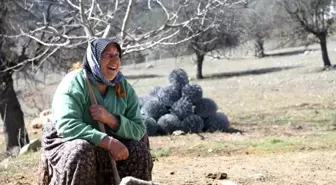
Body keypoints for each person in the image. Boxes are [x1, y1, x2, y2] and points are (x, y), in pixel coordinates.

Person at [38, 38, 153, 185]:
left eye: (117, 55)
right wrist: (108, 142)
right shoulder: (74, 82)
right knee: (81, 150)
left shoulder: (122, 86)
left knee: (139, 151)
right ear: (94, 58)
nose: (114, 60)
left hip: (111, 143)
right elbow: (67, 125)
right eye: (107, 54)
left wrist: (111, 119)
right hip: (68, 141)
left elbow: (138, 129)